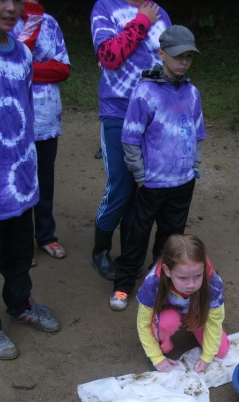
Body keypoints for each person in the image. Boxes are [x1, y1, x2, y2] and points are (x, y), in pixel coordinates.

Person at [109, 25, 206, 312]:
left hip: (183, 182)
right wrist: (139, 174)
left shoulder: (192, 93)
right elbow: (130, 137)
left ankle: (162, 286)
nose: (183, 62)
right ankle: (124, 283)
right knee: (137, 234)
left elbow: (198, 132)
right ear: (161, 54)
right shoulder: (145, 92)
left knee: (171, 238)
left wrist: (195, 166)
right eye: (178, 56)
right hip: (151, 182)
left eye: (188, 57)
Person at [0, 0, 60, 361]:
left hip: (18, 180)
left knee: (19, 254)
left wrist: (28, 168)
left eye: (16, 0)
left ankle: (19, 304)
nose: (11, 7)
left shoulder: (22, 54)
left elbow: (26, 109)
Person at [90, 0, 171, 280]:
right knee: (121, 186)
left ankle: (130, 252)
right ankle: (100, 250)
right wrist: (142, 21)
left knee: (141, 186)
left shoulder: (160, 11)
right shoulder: (105, 8)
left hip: (152, 114)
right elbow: (109, 56)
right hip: (118, 111)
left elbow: (172, 60)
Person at [14, 0, 71, 259]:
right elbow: (6, 67)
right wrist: (27, 68)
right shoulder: (2, 22)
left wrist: (25, 69)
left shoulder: (50, 23)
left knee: (44, 181)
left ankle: (46, 236)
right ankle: (20, 245)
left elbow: (63, 69)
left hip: (47, 119)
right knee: (18, 183)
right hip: (14, 120)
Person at [136, 234, 230, 373]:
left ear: (203, 267)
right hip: (167, 313)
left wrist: (207, 356)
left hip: (195, 311)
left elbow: (214, 321)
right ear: (167, 270)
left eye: (198, 276)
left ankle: (191, 324)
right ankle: (162, 345)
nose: (191, 284)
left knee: (221, 352)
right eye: (182, 278)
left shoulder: (213, 283)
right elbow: (143, 322)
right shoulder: (153, 282)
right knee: (168, 322)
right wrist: (156, 357)